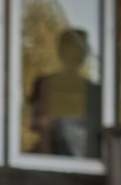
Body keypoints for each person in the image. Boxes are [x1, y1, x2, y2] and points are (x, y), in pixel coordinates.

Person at [28, 27, 98, 157]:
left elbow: (97, 128)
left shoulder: (93, 90)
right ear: (62, 50)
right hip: (49, 154)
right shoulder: (45, 83)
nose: (76, 53)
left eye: (80, 48)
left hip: (85, 157)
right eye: (72, 47)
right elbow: (35, 122)